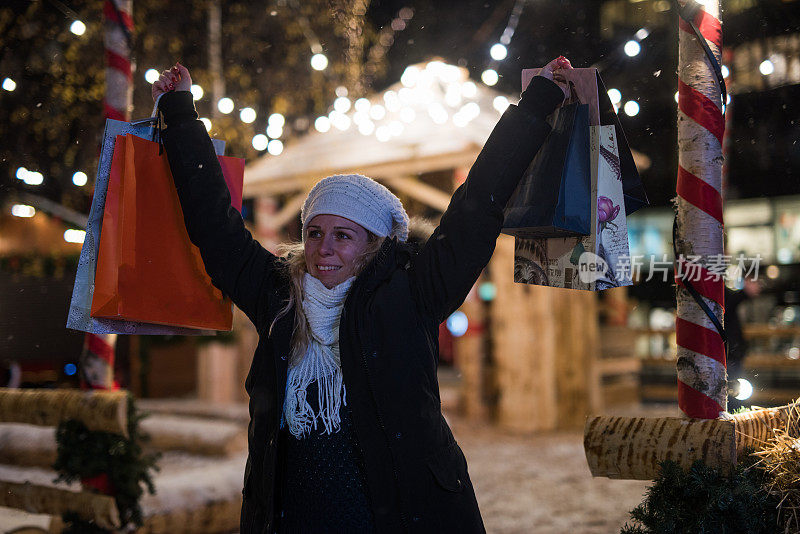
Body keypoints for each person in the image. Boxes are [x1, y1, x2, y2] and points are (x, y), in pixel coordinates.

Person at [152, 56, 572, 534]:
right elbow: (213, 223)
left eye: (343, 236)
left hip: (397, 517)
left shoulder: (411, 292)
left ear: (375, 244)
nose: (323, 249)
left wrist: (535, 105)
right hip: (295, 518)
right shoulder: (276, 296)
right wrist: (180, 115)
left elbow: (478, 204)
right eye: (314, 232)